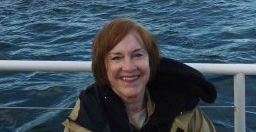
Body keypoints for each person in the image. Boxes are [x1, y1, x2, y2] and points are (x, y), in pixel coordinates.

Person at [63, 18, 217, 132]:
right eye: (116, 57)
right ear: (103, 67)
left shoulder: (181, 103)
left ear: (151, 61)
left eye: (137, 55)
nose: (129, 67)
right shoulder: (89, 112)